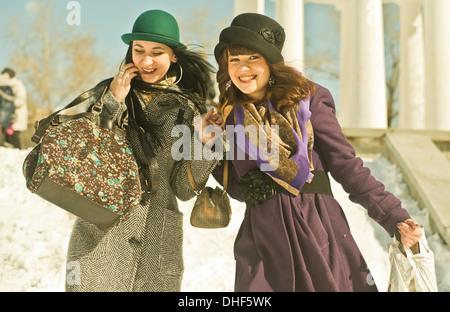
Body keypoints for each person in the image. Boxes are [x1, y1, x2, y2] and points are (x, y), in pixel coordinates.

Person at [211, 13, 423, 292]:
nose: (242, 68)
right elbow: (240, 189)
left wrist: (394, 216)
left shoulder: (308, 99)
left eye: (253, 58)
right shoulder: (232, 118)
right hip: (262, 240)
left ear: (270, 62)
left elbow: (347, 166)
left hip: (316, 227)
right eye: (234, 60)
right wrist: (210, 144)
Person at [65, 9, 224, 292]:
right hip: (101, 235)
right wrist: (114, 103)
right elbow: (88, 157)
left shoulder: (184, 110)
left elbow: (183, 189)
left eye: (157, 52)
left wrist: (203, 143)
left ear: (173, 56)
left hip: (157, 242)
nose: (147, 61)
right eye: (139, 50)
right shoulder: (107, 94)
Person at [0, 68, 28, 149]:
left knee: (14, 135)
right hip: (7, 116)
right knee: (7, 137)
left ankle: (20, 152)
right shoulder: (4, 86)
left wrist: (8, 104)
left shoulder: (17, 85)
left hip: (17, 115)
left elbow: (21, 100)